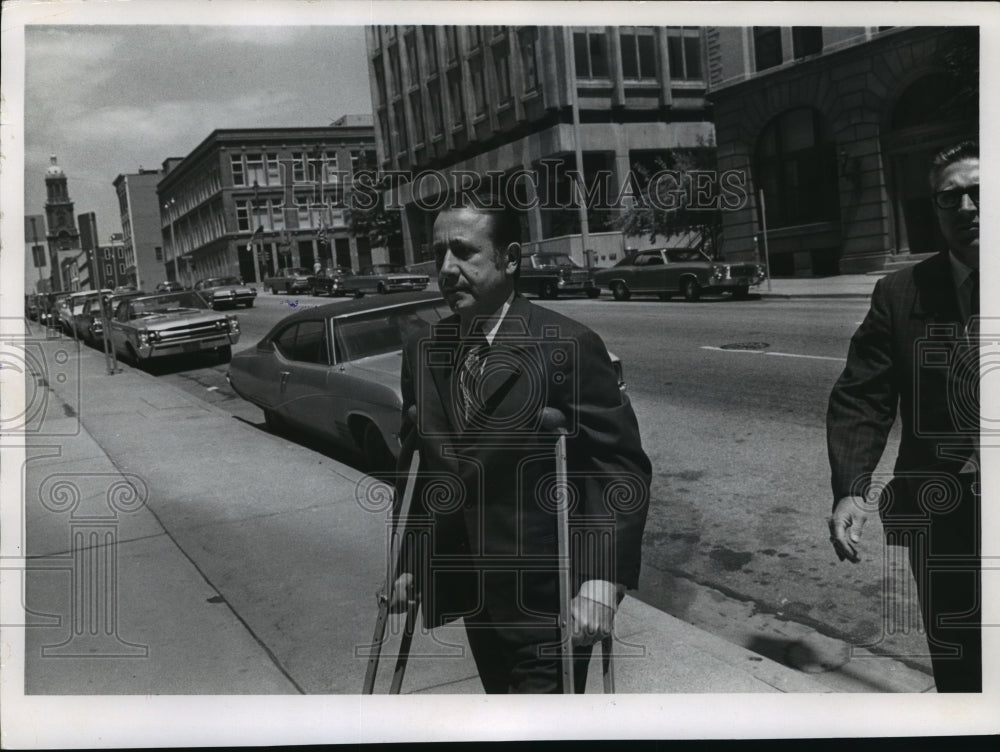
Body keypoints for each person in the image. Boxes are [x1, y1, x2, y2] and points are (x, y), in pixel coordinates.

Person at [387, 193, 652, 693]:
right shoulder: (424, 350)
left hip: (550, 596)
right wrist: (412, 562)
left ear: (510, 258)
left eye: (464, 252)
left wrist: (602, 579)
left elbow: (618, 468)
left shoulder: (564, 344)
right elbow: (425, 467)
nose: (446, 268)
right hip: (474, 593)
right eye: (438, 253)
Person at [827, 140, 980, 692]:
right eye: (951, 198)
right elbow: (863, 396)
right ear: (935, 209)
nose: (966, 208)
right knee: (963, 666)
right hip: (946, 520)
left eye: (979, 193)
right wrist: (851, 488)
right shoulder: (900, 293)